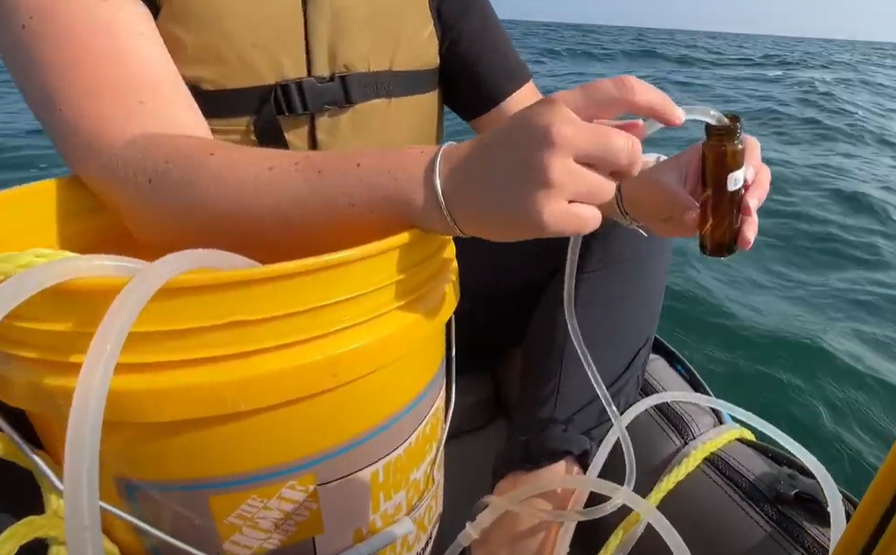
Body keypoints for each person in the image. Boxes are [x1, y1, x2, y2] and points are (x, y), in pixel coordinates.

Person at [0, 1, 771, 554]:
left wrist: (643, 189)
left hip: (404, 303)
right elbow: (150, 178)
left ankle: (533, 502)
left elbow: (542, 154)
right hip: (215, 329)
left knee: (612, 225)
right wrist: (443, 185)